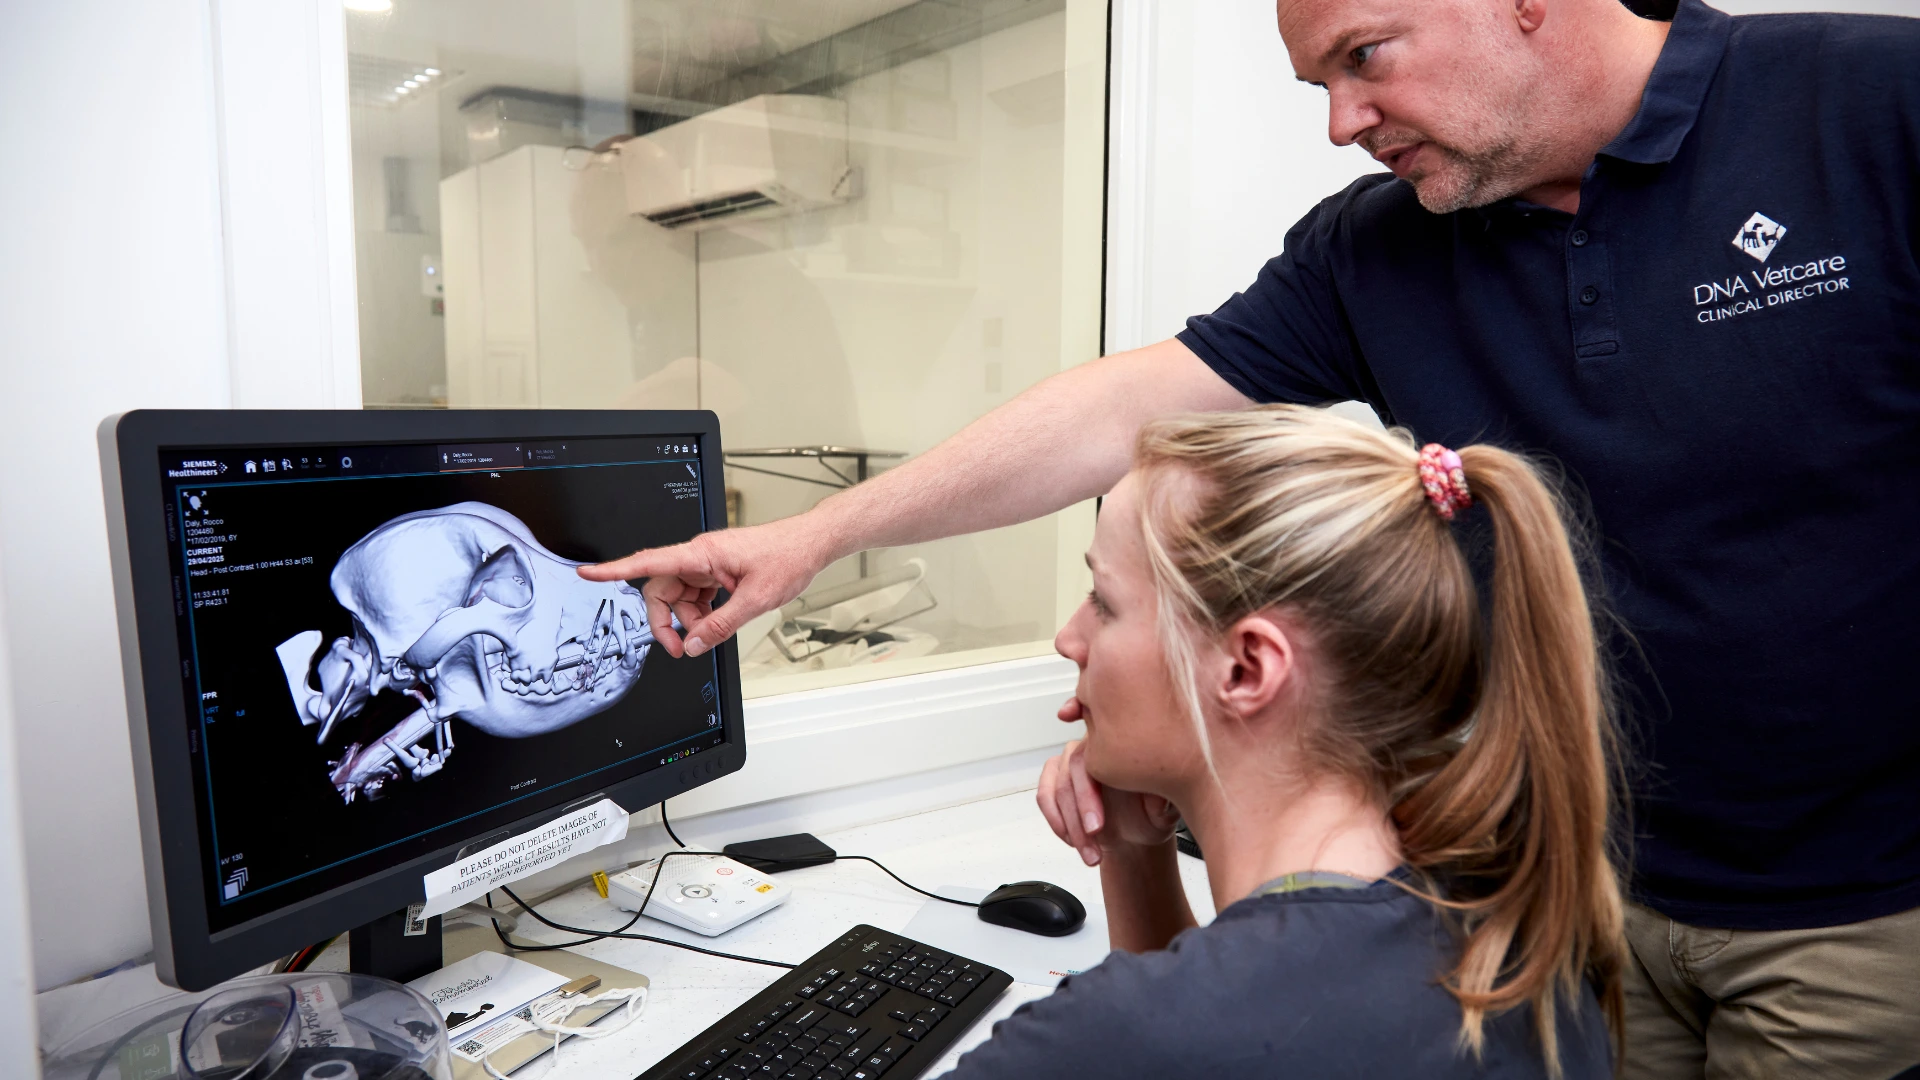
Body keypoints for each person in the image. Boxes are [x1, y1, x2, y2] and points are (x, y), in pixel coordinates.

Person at [586, 0, 1920, 1074]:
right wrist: (818, 537)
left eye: (1364, 58)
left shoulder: (1864, 105)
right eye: (1318, 85)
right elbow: (1119, 409)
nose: (1344, 123)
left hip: (1861, 908)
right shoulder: (1379, 252)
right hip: (1571, 889)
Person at [965, 405, 1622, 1076]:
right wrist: (1134, 854)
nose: (1069, 639)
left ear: (1248, 667)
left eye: (1104, 603)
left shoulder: (1104, 1035)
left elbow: (1169, 1033)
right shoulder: (1515, 943)